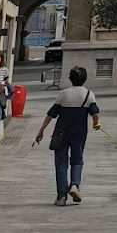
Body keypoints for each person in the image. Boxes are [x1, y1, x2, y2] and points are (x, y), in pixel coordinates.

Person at [34, 66, 101, 205]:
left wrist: (41, 130)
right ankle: (75, 185)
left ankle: (61, 197)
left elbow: (52, 113)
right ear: (84, 79)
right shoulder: (89, 94)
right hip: (79, 133)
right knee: (77, 160)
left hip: (61, 133)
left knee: (61, 164)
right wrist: (96, 123)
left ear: (70, 79)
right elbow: (95, 113)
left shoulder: (64, 94)